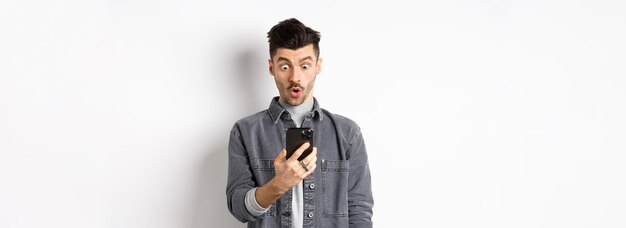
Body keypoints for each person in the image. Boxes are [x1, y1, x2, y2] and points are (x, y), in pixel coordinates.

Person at [226, 18, 374, 228]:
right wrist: (278, 184)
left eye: (305, 66)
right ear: (271, 68)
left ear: (318, 66)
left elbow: (359, 211)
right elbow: (238, 208)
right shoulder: (245, 132)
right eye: (285, 66)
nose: (295, 77)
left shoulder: (347, 133)